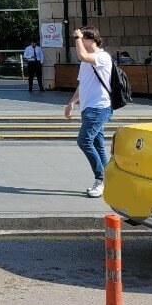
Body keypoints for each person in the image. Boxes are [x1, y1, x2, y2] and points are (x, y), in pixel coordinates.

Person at [64, 27, 113, 199]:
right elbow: (82, 85)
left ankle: (100, 179)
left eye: (81, 39)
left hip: (99, 107)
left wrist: (77, 37)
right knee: (97, 145)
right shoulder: (85, 62)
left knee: (84, 141)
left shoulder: (102, 57)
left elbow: (83, 56)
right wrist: (72, 102)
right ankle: (109, 180)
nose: (78, 42)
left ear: (91, 39)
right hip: (88, 107)